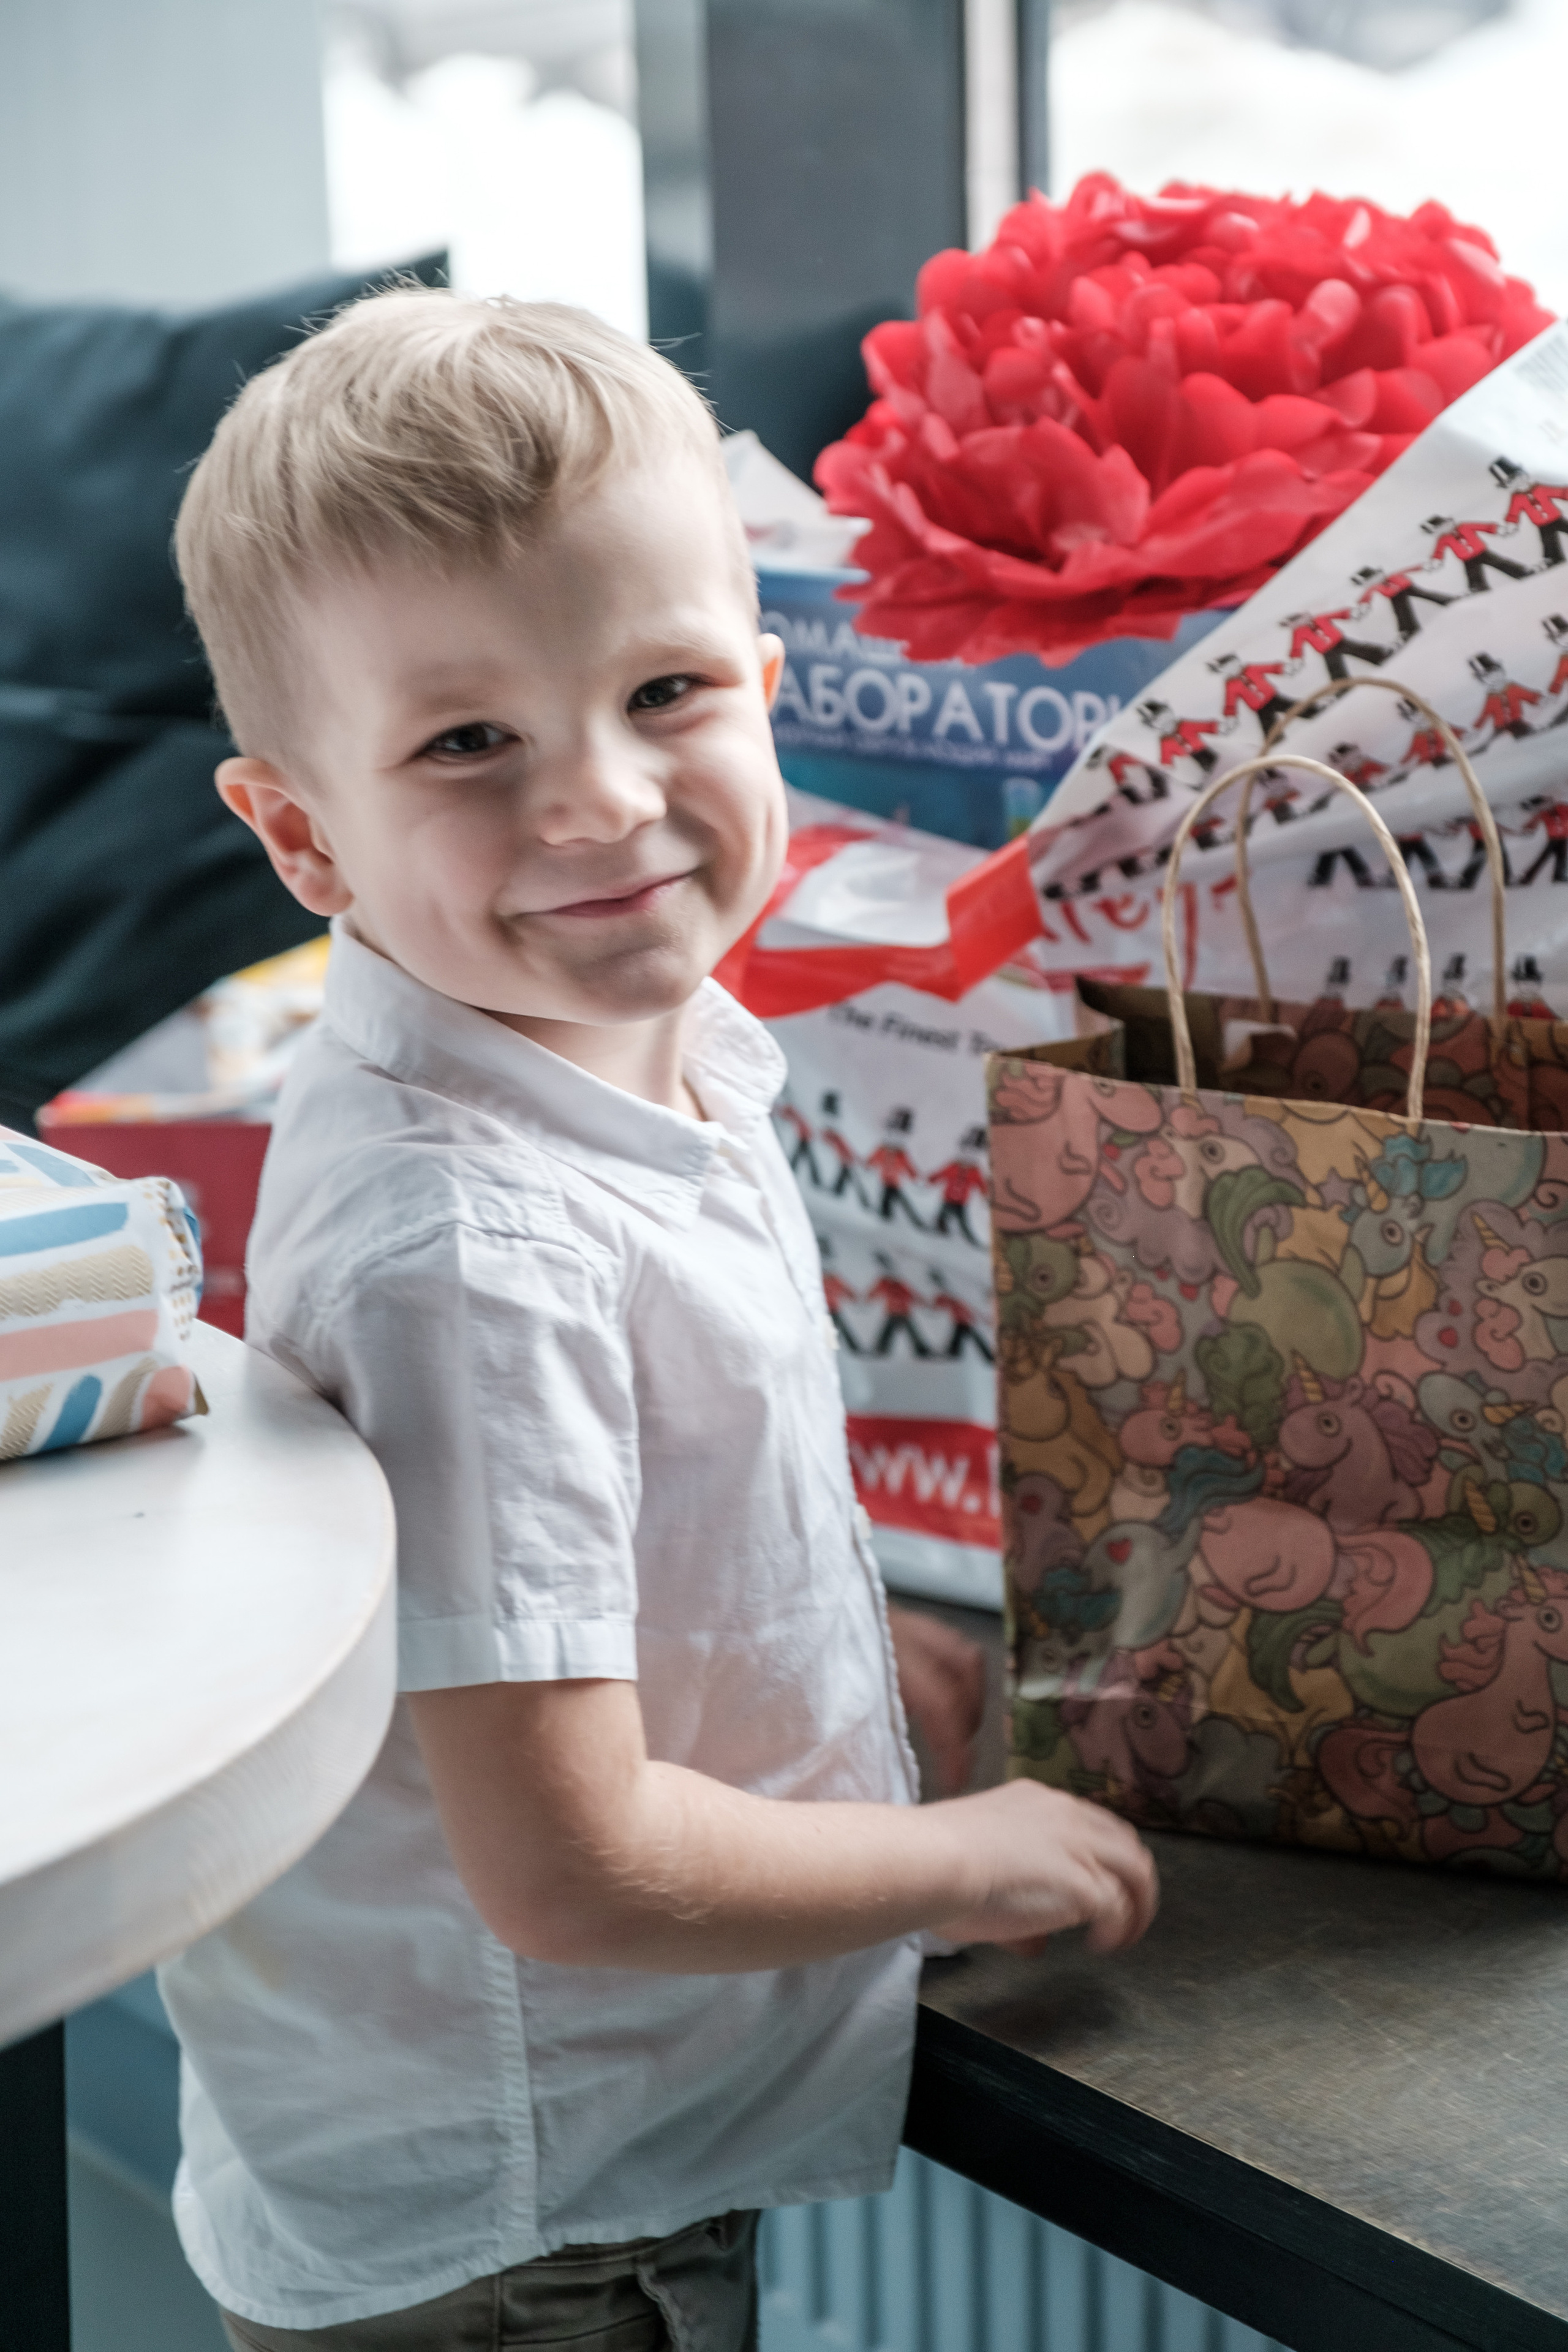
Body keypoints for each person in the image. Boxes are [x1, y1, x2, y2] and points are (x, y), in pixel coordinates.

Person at [165, 288, 1158, 2352]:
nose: (605, 802)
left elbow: (602, 1530)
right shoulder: (474, 1245)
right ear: (300, 833)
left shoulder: (624, 1036)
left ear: (767, 688)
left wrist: (817, 1675)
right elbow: (574, 1870)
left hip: (525, 2179)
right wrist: (945, 1855)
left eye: (668, 691)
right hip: (524, 2248)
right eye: (468, 742)